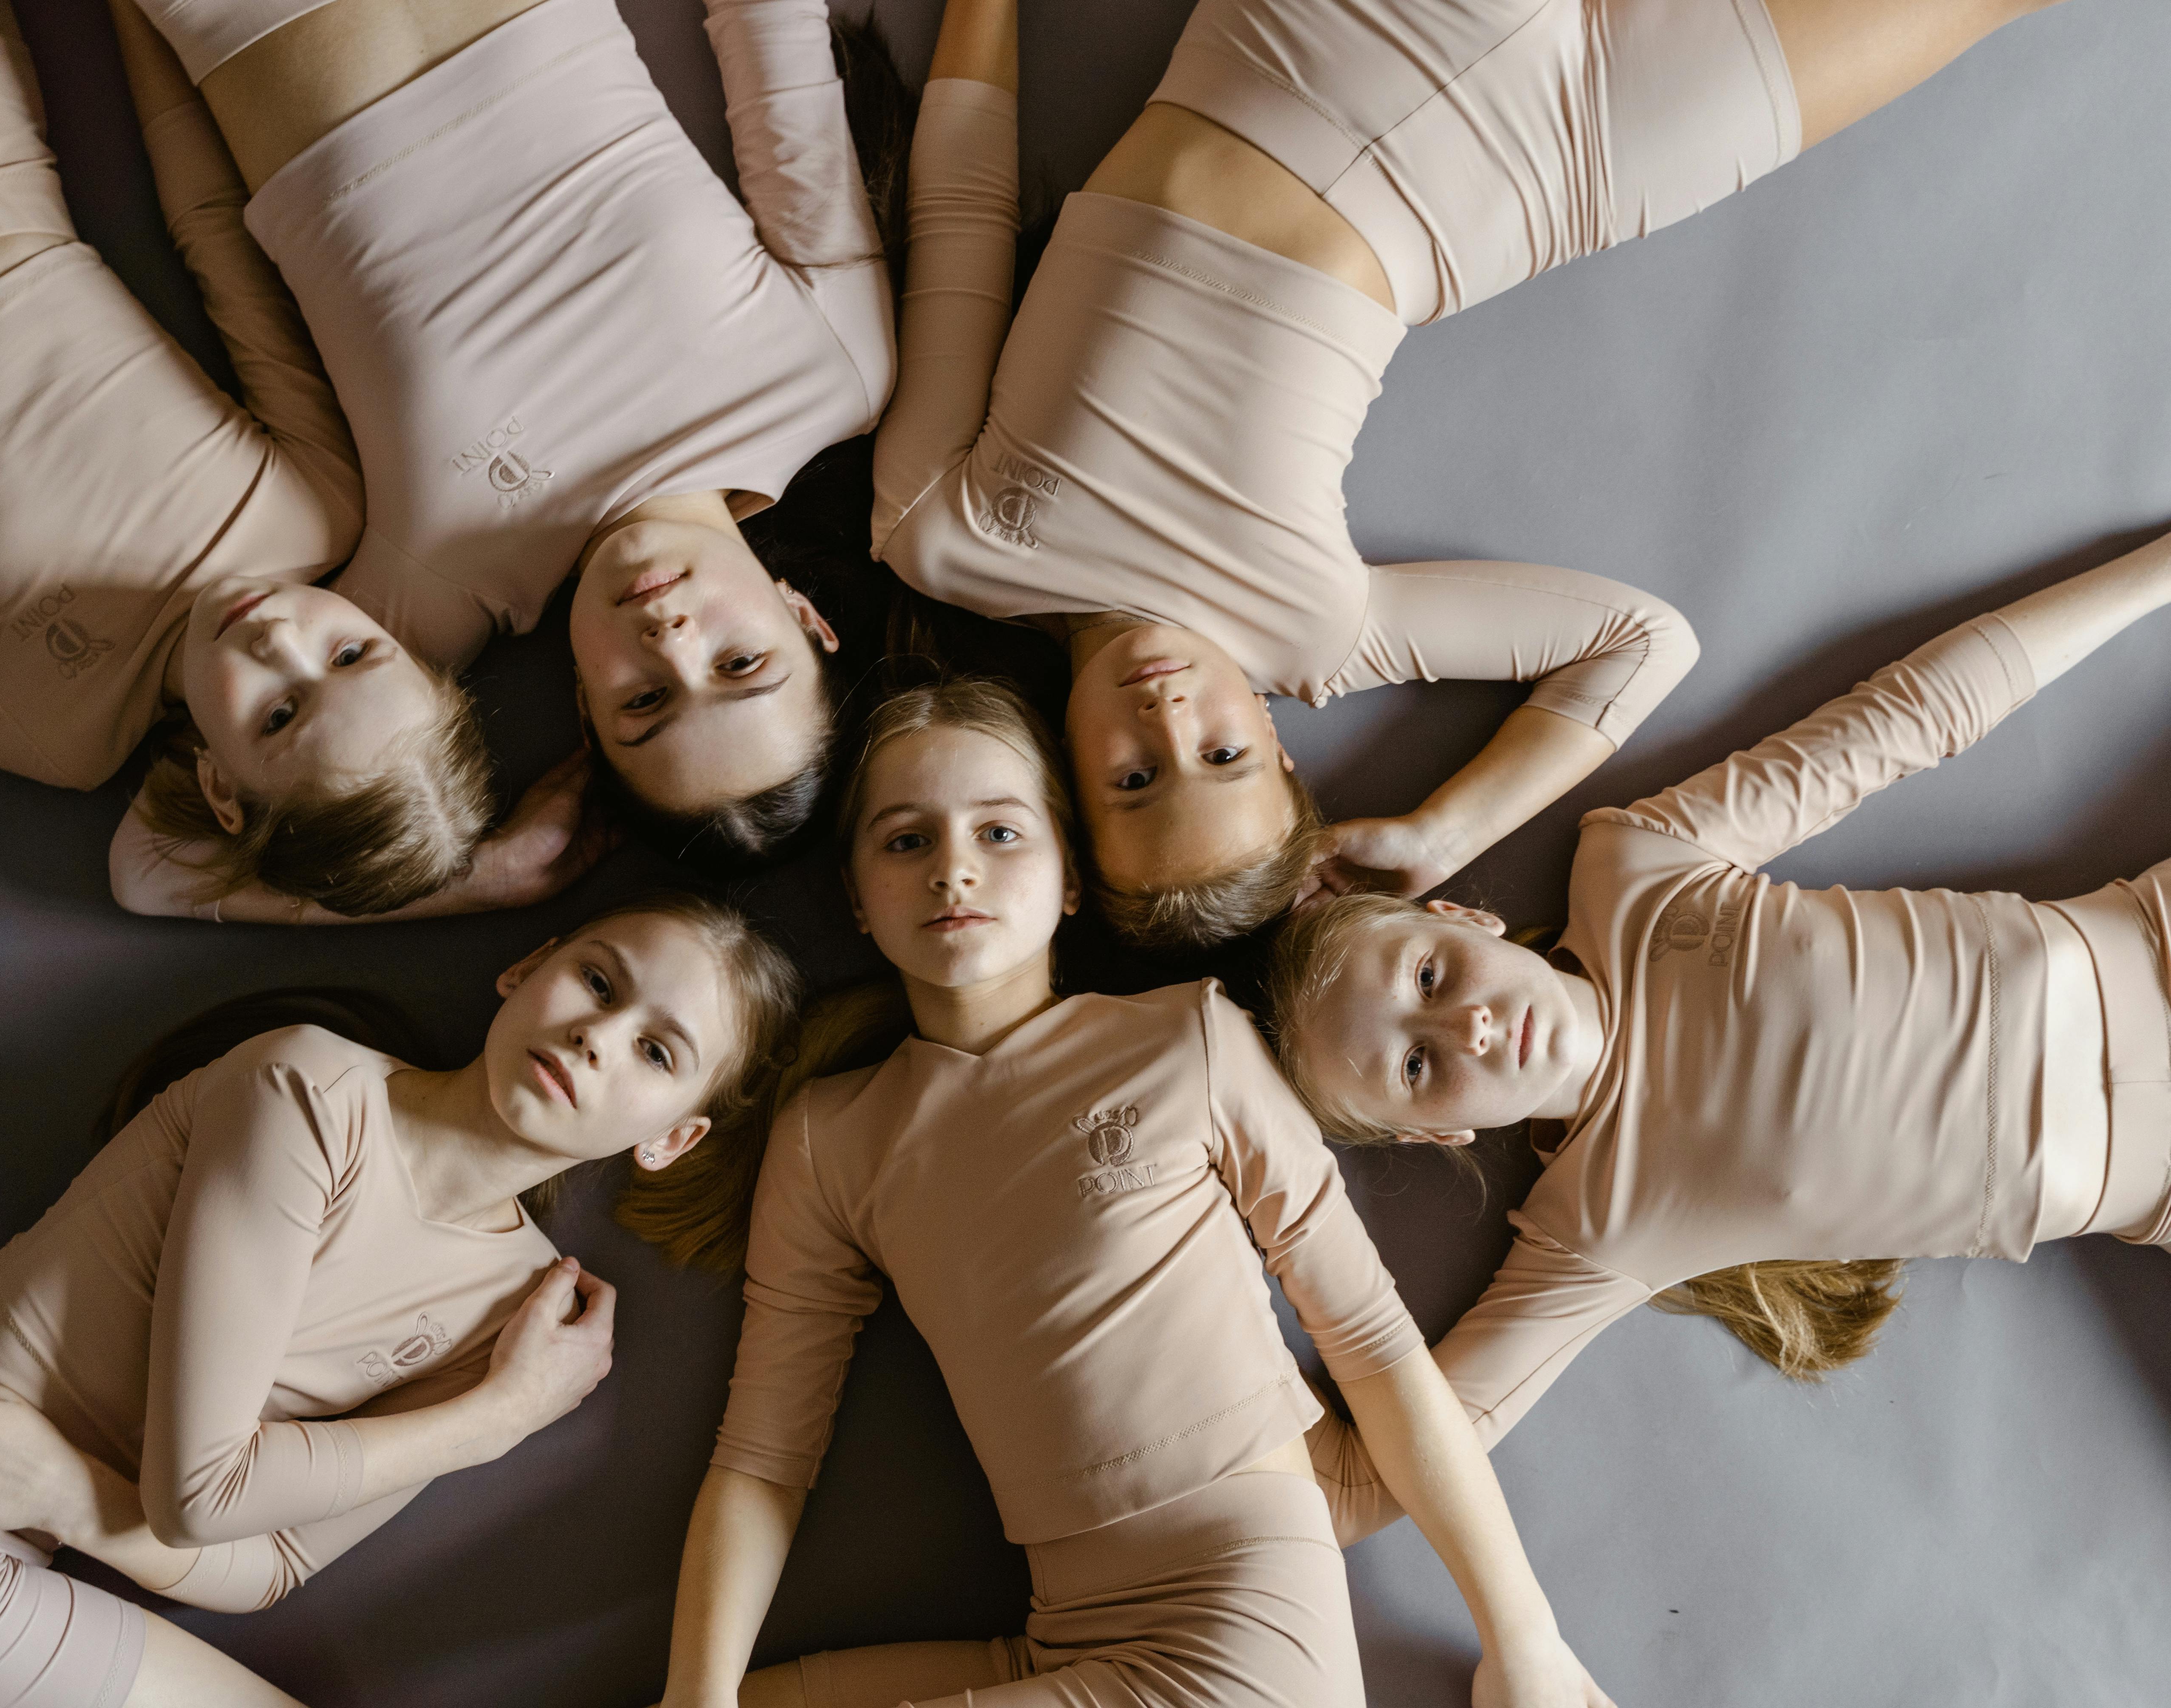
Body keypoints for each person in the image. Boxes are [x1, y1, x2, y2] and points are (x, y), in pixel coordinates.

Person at [874, 0, 2067, 948]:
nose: (1171, 718)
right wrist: (1451, 828)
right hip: (1574, 148)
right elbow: (1640, 643)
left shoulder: (946, 533)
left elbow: (962, 204)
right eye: (1222, 757)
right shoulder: (1319, 634)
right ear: (1283, 752)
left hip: (1327, 29)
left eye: (1136, 779)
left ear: (1069, 786)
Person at [0, 0, 604, 1117]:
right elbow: (208, 219)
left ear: (223, 793)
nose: (284, 640)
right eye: (354, 653)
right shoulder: (315, 508)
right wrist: (144, 18)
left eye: (277, 715)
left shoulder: (62, 727)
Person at [657, 679, 1613, 1707]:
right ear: (855, 896)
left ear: (1070, 876)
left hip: (1248, 1635)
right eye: (904, 842)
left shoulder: (1188, 1038)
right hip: (1060, 1632)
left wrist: (1525, 1640)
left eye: (1000, 829)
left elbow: (1376, 1346)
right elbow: (763, 1459)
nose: (956, 866)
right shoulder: (827, 1140)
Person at [1265, 529, 2171, 1544]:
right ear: (1437, 1136)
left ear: (1465, 917)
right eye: (1418, 1065)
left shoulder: (1639, 865)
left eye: (1429, 975)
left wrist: (2160, 570)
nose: (1469, 1026)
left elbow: (1918, 715)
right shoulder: (1593, 1233)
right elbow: (1361, 1485)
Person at [0, 892, 799, 1707]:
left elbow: (265, 1568)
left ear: (672, 1137)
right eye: (598, 981)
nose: (598, 1035)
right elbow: (200, 1495)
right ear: (526, 968)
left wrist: (70, 1495)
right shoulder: (310, 1091)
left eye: (658, 1050)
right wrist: (498, 1421)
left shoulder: (516, 1317)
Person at [108, 0, 897, 889]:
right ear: (805, 617)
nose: (669, 639)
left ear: (584, 715)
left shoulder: (439, 594)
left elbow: (147, 866)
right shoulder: (833, 378)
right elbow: (769, 25)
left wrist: (488, 870)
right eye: (739, 662)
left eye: (644, 701)